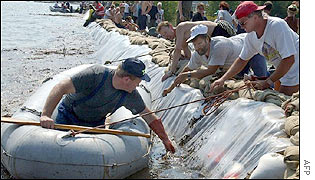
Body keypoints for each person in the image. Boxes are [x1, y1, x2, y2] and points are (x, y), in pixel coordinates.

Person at [39, 58, 175, 153]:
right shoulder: (95, 75)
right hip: (68, 116)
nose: (139, 85)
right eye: (138, 81)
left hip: (95, 123)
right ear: (127, 80)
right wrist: (46, 115)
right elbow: (61, 87)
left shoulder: (130, 94)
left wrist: (165, 140)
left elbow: (149, 116)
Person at [210, 1, 299, 96]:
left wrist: (268, 82)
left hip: (296, 65)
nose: (241, 27)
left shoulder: (277, 26)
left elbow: (289, 59)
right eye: (239, 24)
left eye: (243, 23)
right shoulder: (250, 36)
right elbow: (242, 60)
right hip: (283, 68)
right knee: (276, 97)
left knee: (284, 103)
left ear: (255, 17)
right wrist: (223, 79)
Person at [167, 24, 268, 90]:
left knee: (263, 79)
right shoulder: (198, 52)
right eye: (195, 45)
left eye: (200, 43)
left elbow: (210, 71)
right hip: (235, 61)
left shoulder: (219, 46)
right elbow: (188, 68)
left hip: (252, 49)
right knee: (242, 78)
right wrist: (173, 84)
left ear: (207, 39)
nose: (197, 47)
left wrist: (187, 75)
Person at [157, 20, 235, 81]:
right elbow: (189, 56)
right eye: (163, 35)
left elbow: (177, 50)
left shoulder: (180, 28)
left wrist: (171, 72)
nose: (166, 36)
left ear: (170, 26)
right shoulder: (181, 40)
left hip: (218, 31)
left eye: (165, 32)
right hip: (210, 38)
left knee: (225, 60)